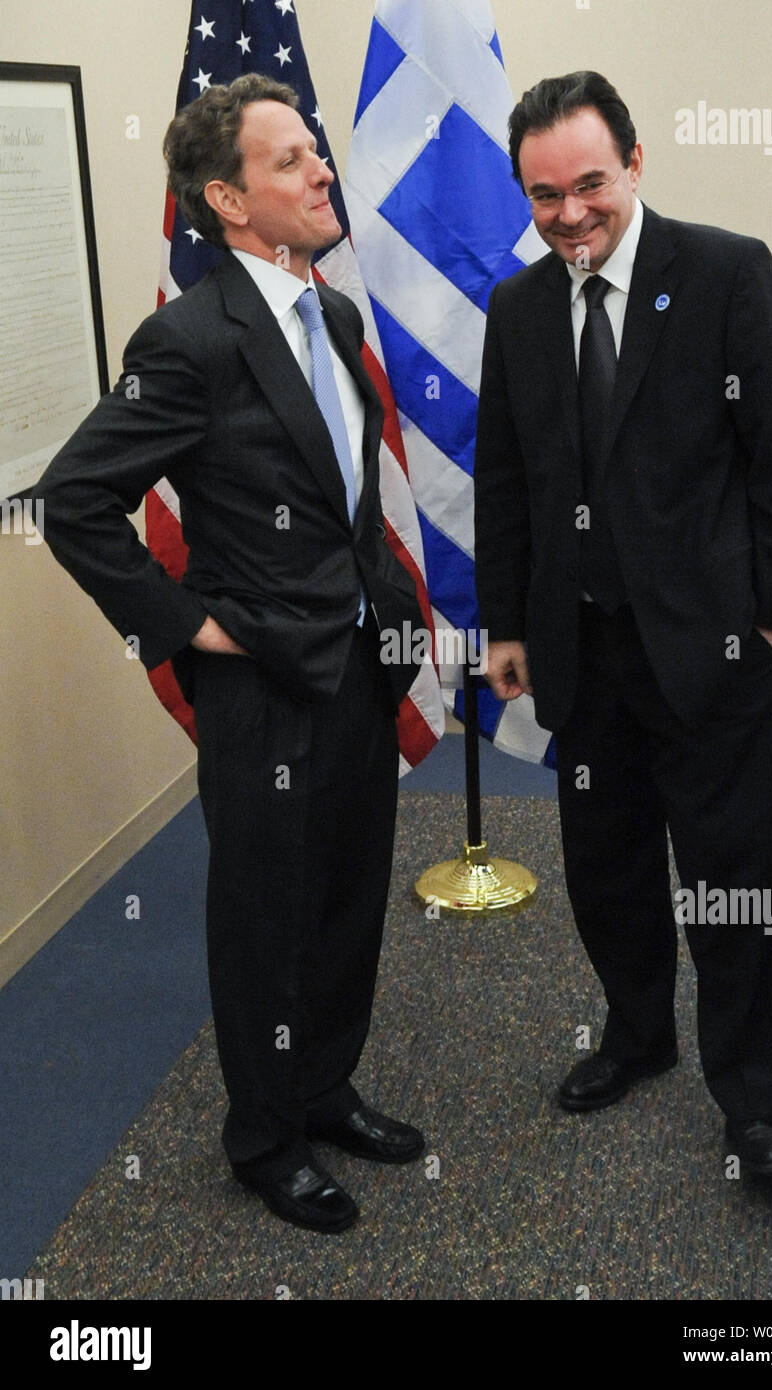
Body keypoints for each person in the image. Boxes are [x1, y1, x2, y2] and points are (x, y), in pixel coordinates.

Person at [35, 74, 426, 1232]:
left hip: (357, 663)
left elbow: (345, 496)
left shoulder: (334, 314)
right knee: (267, 918)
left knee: (351, 896)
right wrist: (187, 624)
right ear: (228, 198)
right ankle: (265, 1136)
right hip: (263, 688)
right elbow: (75, 500)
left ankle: (325, 1087)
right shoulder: (189, 337)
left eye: (317, 152)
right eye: (293, 159)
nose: (321, 171)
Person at [474, 71, 772, 1177]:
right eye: (542, 195)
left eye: (587, 184)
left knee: (731, 876)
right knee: (608, 868)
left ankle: (754, 1100)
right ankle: (638, 1032)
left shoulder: (724, 273)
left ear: (633, 162)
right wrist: (505, 624)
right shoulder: (517, 308)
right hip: (583, 653)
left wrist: (768, 621)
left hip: (710, 651)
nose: (569, 213)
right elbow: (506, 481)